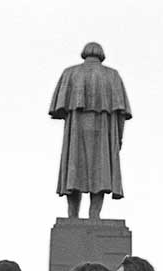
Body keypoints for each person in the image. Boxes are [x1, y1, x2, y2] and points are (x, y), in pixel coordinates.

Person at [49, 42, 131, 219]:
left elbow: (58, 109)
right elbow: (121, 115)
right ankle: (94, 215)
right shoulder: (112, 76)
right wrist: (119, 139)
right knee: (100, 173)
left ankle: (72, 216)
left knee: (73, 172)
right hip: (103, 133)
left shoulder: (71, 73)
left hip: (76, 131)